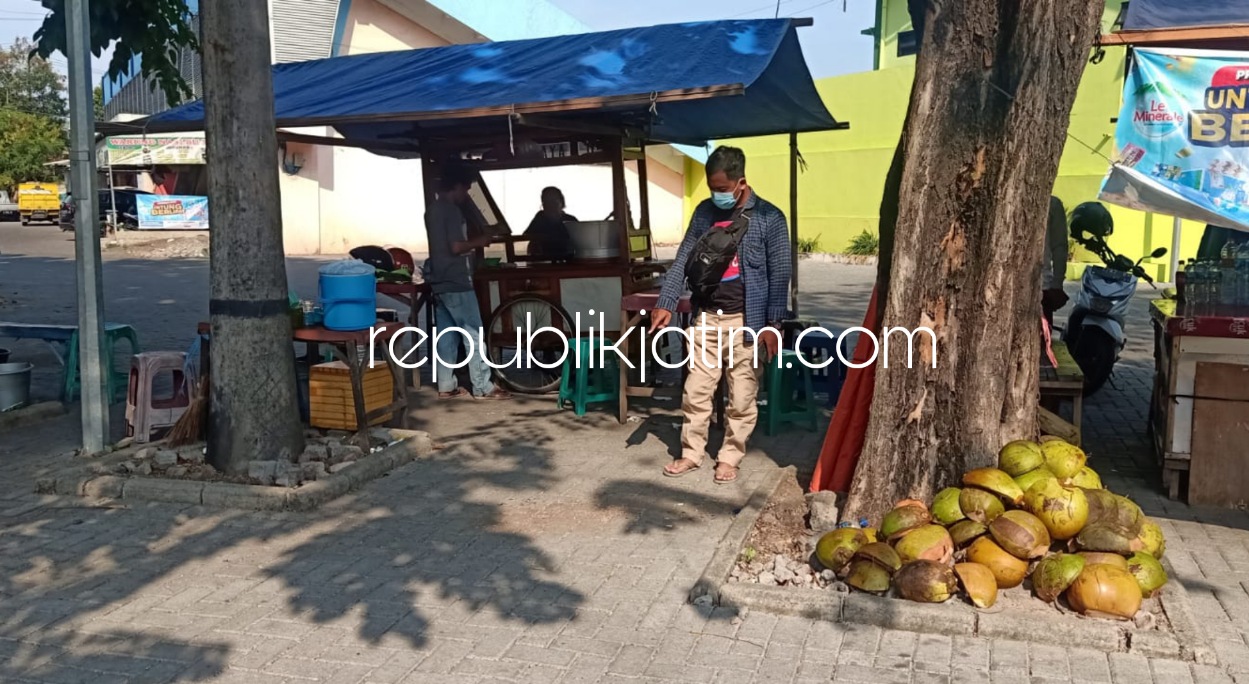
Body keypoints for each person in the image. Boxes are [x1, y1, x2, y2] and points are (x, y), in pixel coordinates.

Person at [651, 146, 791, 484]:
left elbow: (781, 272)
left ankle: (730, 457)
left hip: (748, 322)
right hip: (706, 319)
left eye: (723, 188)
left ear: (741, 182)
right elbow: (684, 259)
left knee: (742, 396)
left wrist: (774, 325)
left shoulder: (769, 218)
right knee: (696, 390)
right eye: (712, 188)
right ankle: (691, 454)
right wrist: (666, 301)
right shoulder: (704, 213)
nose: (717, 195)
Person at [423, 165, 510, 400]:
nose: (466, 194)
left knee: (447, 335)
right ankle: (483, 386)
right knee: (473, 332)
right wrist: (481, 241)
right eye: (466, 189)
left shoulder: (432, 210)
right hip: (456, 279)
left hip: (439, 279)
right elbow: (456, 247)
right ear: (458, 186)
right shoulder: (451, 211)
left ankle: (445, 385)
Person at [524, 187, 576, 260]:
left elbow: (580, 241)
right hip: (542, 261)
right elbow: (527, 235)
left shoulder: (570, 220)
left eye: (553, 201)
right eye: (546, 202)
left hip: (567, 260)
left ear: (561, 202)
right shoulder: (540, 217)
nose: (550, 205)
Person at [1041, 195, 1070, 327]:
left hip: (1041, 285)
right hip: (1042, 284)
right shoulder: (1052, 203)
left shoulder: (1052, 204)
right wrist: (1057, 284)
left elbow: (1059, 247)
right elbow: (1060, 246)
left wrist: (1057, 283)